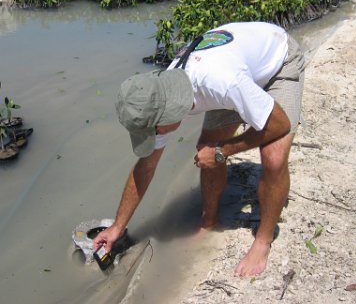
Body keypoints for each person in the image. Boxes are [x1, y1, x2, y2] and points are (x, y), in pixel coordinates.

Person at [94, 22, 305, 277]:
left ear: (168, 112)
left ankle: (263, 240)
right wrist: (118, 226)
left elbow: (279, 124)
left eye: (156, 131)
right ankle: (209, 222)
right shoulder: (159, 94)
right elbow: (146, 167)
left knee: (273, 159)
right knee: (207, 150)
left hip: (278, 62)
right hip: (240, 69)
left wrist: (223, 151)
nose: (156, 136)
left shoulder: (220, 82)